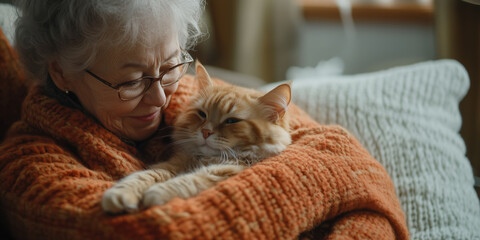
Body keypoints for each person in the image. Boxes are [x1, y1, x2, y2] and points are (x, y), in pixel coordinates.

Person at [0, 0, 409, 239]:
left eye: (171, 64)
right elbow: (150, 231)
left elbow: (353, 168)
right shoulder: (28, 167)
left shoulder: (194, 95)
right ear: (62, 74)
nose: (161, 97)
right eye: (131, 80)